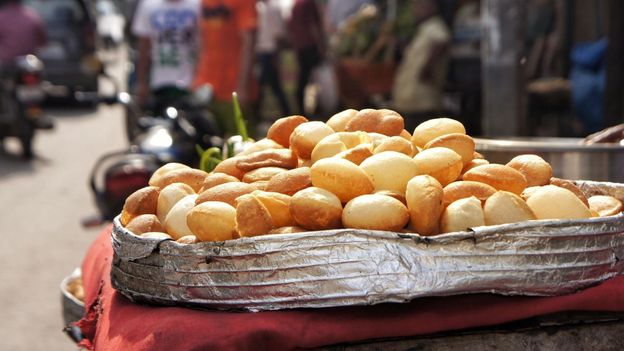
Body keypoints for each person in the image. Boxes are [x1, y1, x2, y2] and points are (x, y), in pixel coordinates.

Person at [193, 0, 257, 137]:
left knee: (242, 148)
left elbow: (249, 42)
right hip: (206, 88)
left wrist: (243, 86)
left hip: (233, 89)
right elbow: (201, 41)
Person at [391, 0, 451, 131]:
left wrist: (427, 67)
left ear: (433, 7)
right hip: (409, 100)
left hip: (423, 101)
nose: (417, 9)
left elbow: (442, 42)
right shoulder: (422, 28)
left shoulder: (435, 25)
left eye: (422, 5)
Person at [131, 0, 201, 108]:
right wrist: (142, 83)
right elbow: (144, 48)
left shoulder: (198, 4)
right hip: (158, 85)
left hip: (191, 85)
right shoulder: (148, 4)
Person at [289, 0, 325, 115]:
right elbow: (312, 25)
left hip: (300, 46)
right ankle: (313, 108)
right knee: (315, 78)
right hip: (310, 45)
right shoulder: (308, 3)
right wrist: (321, 46)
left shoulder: (296, 4)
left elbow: (291, 24)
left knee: (304, 77)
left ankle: (304, 107)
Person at [255, 0, 290, 118]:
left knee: (271, 85)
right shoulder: (260, 7)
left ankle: (286, 111)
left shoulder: (274, 7)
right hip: (262, 52)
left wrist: (276, 56)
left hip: (270, 53)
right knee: (265, 85)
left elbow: (278, 34)